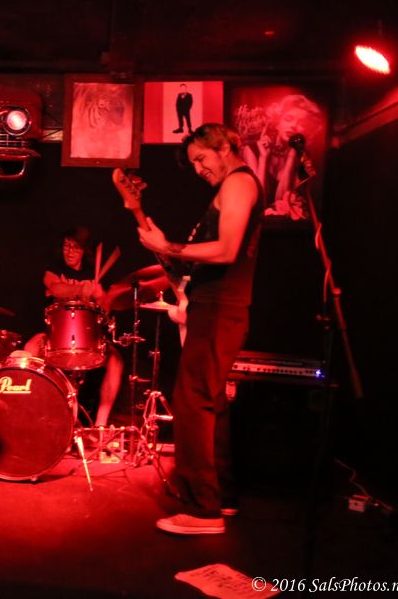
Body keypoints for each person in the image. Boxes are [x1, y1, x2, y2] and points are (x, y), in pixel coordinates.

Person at [114, 123, 262, 535]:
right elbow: (190, 266)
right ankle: (222, 497)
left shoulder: (239, 182)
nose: (198, 169)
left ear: (226, 146)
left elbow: (227, 250)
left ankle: (203, 511)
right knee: (209, 401)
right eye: (193, 162)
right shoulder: (228, 189)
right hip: (213, 306)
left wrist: (167, 247)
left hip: (220, 308)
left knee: (193, 400)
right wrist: (138, 212)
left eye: (202, 158)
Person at [23, 226, 124, 428]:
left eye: (75, 247)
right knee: (29, 350)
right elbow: (55, 288)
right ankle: (29, 416)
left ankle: (100, 425)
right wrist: (82, 289)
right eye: (66, 246)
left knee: (116, 361)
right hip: (54, 336)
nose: (69, 251)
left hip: (88, 340)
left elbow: (105, 309)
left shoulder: (93, 275)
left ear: (84, 251)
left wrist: (101, 296)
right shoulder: (53, 269)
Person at [236, 94, 323, 220]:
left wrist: (292, 156)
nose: (294, 125)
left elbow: (283, 203)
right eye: (289, 119)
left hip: (284, 225)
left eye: (301, 123)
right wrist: (263, 158)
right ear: (277, 122)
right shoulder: (252, 150)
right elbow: (260, 201)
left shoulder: (300, 156)